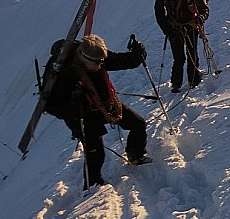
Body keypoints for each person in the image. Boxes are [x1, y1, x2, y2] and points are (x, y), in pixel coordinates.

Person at [45, 33, 152, 189]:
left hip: (105, 105)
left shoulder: (96, 56)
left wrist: (137, 55)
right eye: (96, 64)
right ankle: (92, 186)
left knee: (137, 123)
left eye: (102, 62)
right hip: (82, 117)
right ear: (84, 59)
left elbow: (121, 61)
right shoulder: (64, 73)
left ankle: (135, 157)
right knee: (95, 154)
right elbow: (50, 105)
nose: (100, 66)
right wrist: (74, 108)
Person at [154, 0, 209, 92]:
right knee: (179, 57)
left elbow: (204, 9)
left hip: (191, 25)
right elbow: (158, 12)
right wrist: (167, 30)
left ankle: (193, 80)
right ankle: (176, 83)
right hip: (174, 28)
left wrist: (200, 19)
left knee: (192, 53)